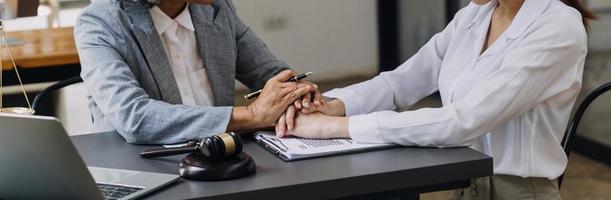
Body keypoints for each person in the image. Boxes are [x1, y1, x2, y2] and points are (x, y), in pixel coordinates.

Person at [276, 0, 596, 199]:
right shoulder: (475, 15)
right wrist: (333, 105)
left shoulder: (558, 27)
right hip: (463, 183)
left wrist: (334, 127)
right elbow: (401, 82)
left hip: (518, 191)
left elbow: (462, 121)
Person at [75, 0, 322, 144]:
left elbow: (273, 73)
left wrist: (293, 96)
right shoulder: (100, 23)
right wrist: (253, 114)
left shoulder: (217, 9)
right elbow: (134, 117)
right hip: (142, 170)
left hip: (218, 158)